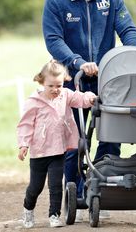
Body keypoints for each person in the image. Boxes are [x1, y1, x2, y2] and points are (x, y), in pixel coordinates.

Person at [42, 0, 136, 220]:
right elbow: (53, 39)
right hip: (72, 80)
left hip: (108, 80)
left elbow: (128, 29)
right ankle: (75, 193)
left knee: (110, 135)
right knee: (76, 140)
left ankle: (102, 190)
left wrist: (134, 55)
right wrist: (76, 61)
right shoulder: (56, 1)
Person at [17, 60, 96, 228]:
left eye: (59, 85)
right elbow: (25, 124)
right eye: (51, 86)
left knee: (56, 185)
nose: (55, 90)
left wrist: (90, 97)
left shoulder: (65, 95)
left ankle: (54, 215)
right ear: (42, 82)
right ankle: (28, 209)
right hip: (39, 152)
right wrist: (23, 144)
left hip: (58, 149)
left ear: (64, 81)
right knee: (35, 187)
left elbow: (79, 98)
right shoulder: (34, 102)